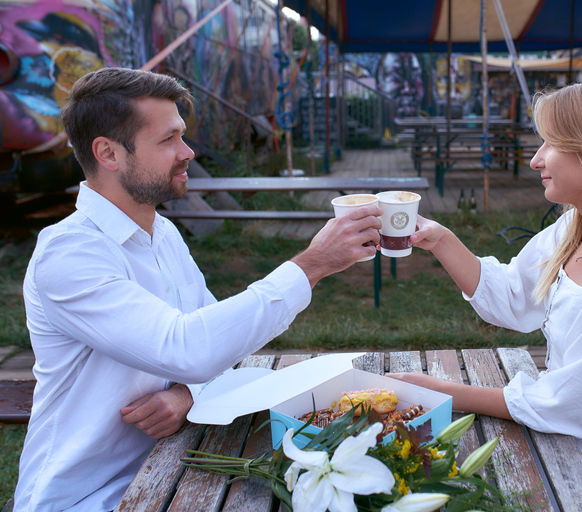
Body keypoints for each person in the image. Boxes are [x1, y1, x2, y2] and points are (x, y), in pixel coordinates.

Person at [15, 67, 382, 512]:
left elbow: (216, 345)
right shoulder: (69, 255)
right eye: (168, 139)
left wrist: (187, 394)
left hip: (173, 467)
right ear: (108, 153)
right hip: (87, 497)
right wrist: (312, 264)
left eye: (182, 136)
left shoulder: (162, 234)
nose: (187, 152)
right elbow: (189, 349)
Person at [389, 77, 582, 512]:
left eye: (549, 144)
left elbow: (566, 405)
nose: (535, 160)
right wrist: (439, 239)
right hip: (551, 452)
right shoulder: (575, 230)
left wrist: (440, 391)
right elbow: (511, 298)